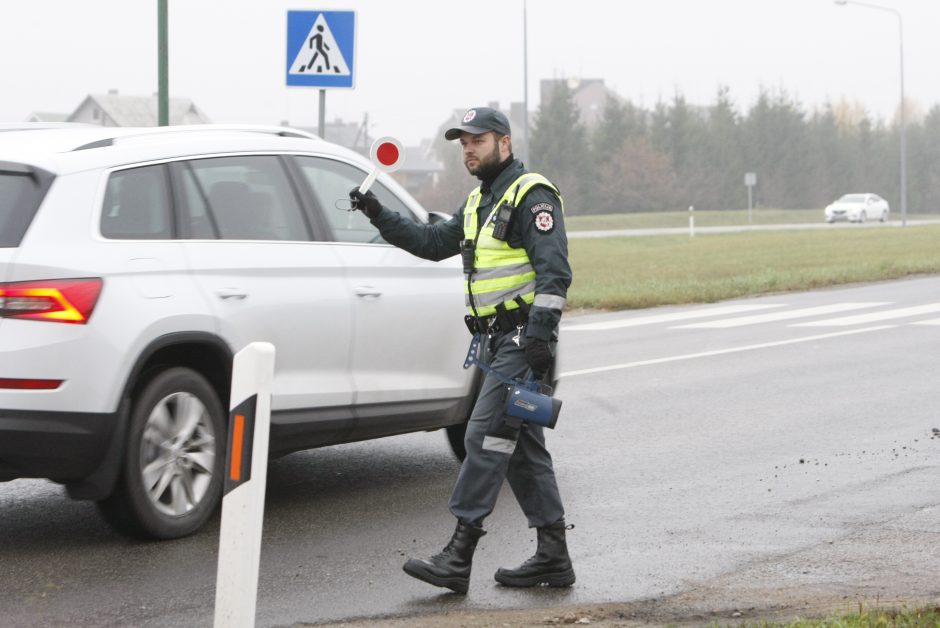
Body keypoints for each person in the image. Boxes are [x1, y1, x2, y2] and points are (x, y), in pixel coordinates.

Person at [348, 106, 574, 594]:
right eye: (463, 143)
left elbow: (555, 272)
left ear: (504, 143)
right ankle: (554, 556)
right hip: (493, 343)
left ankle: (459, 554)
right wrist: (377, 213)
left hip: (521, 342)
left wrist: (539, 336)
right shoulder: (478, 203)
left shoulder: (530, 194)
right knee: (521, 451)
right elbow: (431, 242)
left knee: (485, 436)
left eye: (478, 140)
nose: (469, 149)